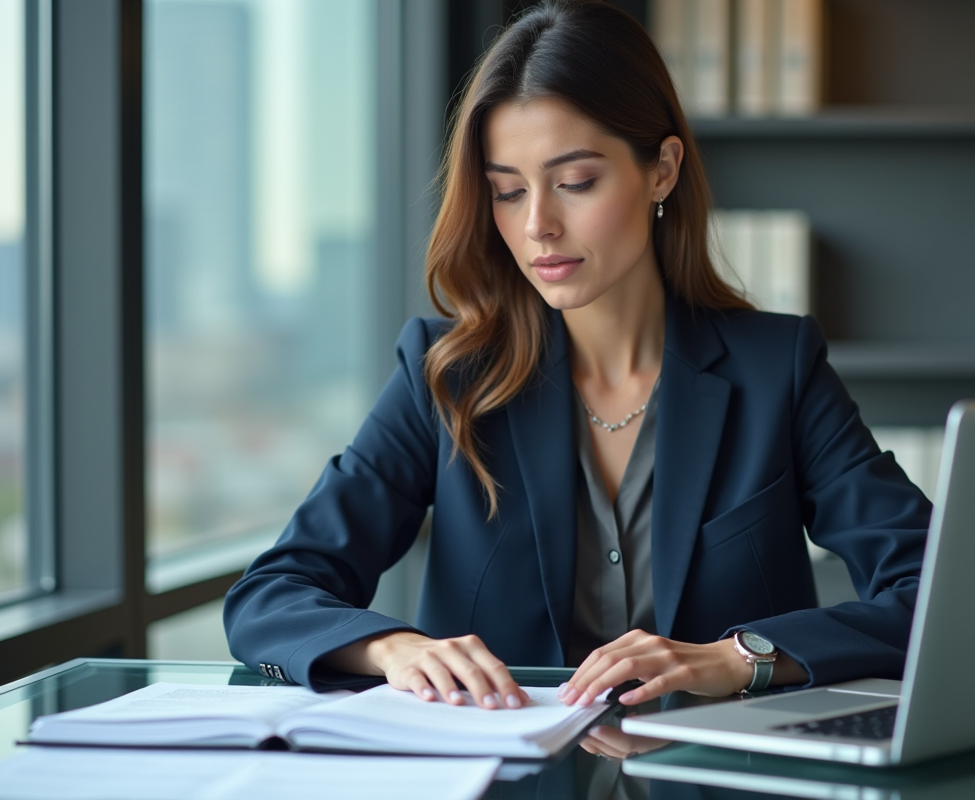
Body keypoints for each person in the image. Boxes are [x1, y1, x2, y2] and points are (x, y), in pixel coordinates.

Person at [224, 0, 930, 714]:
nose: (537, 226)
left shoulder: (777, 368)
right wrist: (394, 648)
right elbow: (270, 596)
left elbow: (935, 587)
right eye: (507, 191)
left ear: (662, 170)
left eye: (576, 182)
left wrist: (739, 657)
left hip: (720, 783)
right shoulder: (444, 375)